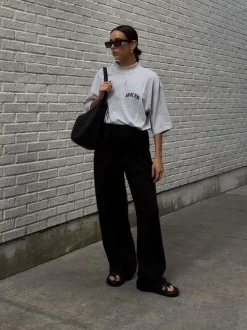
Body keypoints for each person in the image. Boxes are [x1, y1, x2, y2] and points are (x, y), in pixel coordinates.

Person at [84, 25, 179, 297]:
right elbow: (88, 110)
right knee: (110, 206)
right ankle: (121, 266)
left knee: (147, 208)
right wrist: (100, 94)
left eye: (118, 42)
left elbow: (158, 119)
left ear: (133, 44)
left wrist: (158, 157)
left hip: (136, 143)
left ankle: (150, 275)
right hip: (107, 143)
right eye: (110, 43)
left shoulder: (148, 77)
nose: (113, 47)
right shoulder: (102, 74)